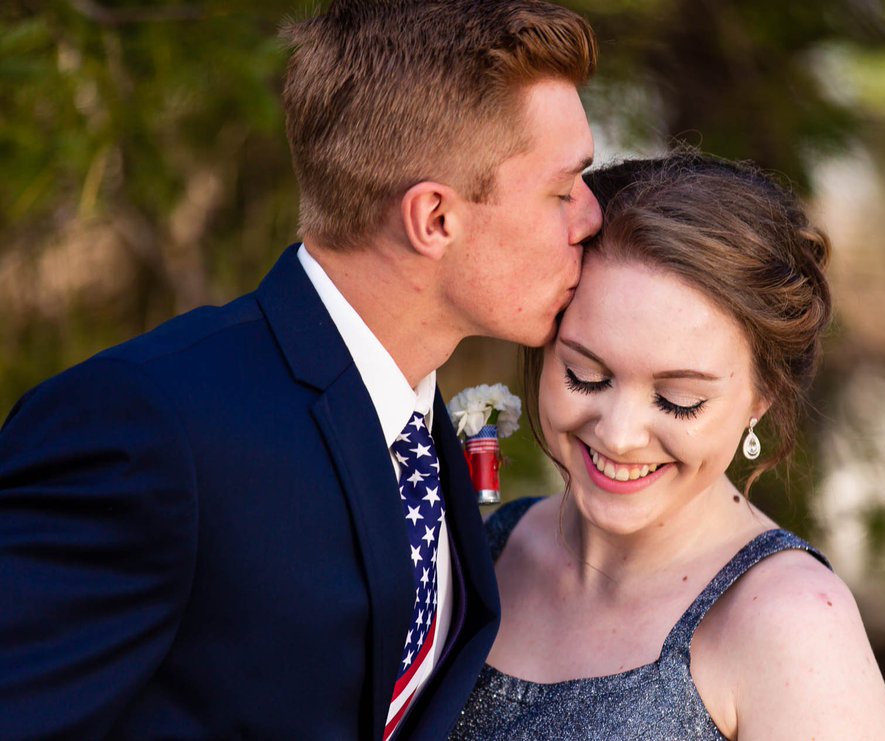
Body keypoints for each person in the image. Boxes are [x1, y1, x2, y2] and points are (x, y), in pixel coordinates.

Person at [0, 1, 600, 739]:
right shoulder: (150, 424)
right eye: (563, 189)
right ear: (435, 219)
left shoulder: (426, 434)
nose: (590, 217)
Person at [451, 151, 885, 740]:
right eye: (585, 375)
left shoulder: (795, 628)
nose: (619, 433)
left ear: (761, 398)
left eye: (679, 399)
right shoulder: (480, 552)